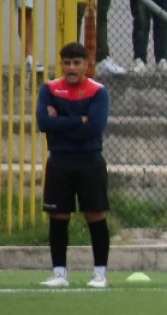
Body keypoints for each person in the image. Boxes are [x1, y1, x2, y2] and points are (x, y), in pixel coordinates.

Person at [36, 42, 111, 289]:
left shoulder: (98, 92)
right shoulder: (49, 89)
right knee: (58, 217)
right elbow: (44, 123)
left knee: (95, 215)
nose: (71, 68)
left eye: (76, 63)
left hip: (89, 159)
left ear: (86, 65)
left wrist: (62, 121)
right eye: (67, 63)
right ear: (61, 64)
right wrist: (79, 120)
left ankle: (100, 273)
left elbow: (95, 126)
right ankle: (60, 273)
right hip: (59, 159)